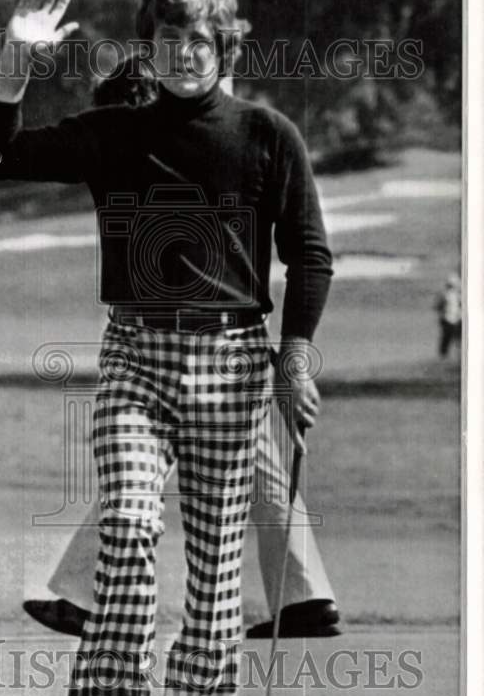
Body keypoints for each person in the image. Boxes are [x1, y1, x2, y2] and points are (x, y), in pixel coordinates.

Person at [0, 0, 333, 696]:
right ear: (151, 47)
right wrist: (13, 63)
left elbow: (307, 254)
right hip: (136, 353)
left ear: (225, 44)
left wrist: (296, 357)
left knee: (214, 555)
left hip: (235, 360)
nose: (182, 55)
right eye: (167, 40)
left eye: (198, 40)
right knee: (129, 522)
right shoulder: (115, 131)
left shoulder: (266, 133)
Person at [24, 58, 340, 643]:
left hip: (187, 339)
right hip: (230, 336)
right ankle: (303, 595)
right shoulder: (215, 137)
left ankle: (85, 591)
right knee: (241, 460)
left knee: (140, 478)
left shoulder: (179, 143)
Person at [434, 272, 462, 359]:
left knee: (454, 337)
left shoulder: (457, 294)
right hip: (448, 319)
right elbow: (438, 306)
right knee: (448, 337)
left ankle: (452, 354)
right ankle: (444, 354)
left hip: (455, 318)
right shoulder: (445, 294)